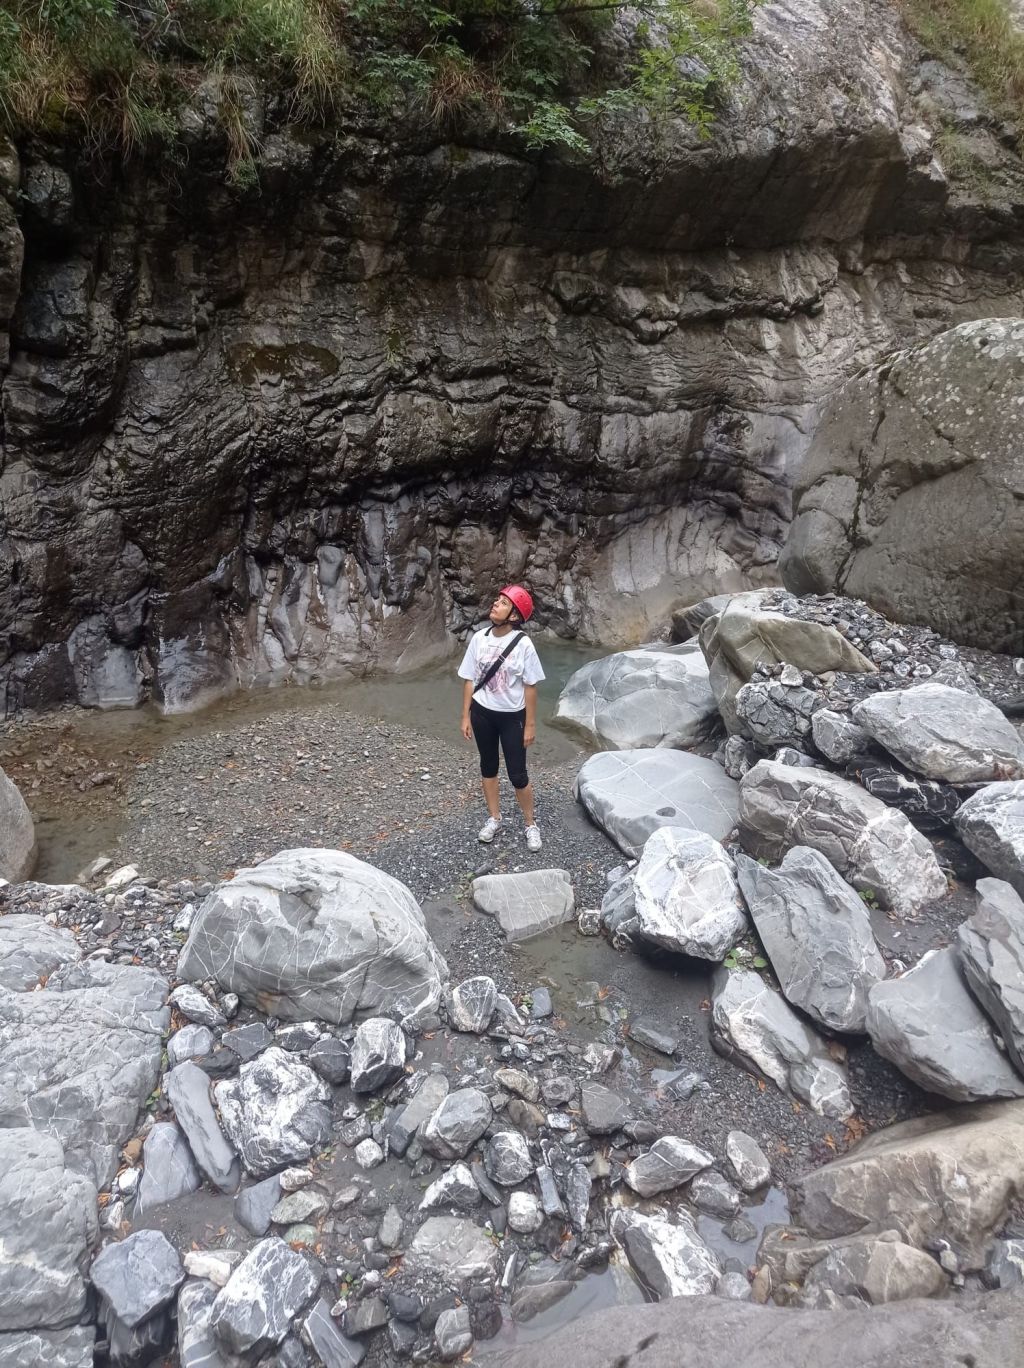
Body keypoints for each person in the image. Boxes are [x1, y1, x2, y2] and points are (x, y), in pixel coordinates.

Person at [458, 585, 545, 851]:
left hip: (512, 718)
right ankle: (495, 818)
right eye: (497, 600)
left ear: (515, 616)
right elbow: (470, 679)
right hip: (482, 713)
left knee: (518, 774)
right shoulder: (479, 638)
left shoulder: (524, 644)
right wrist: (465, 716)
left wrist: (530, 724)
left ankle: (530, 824)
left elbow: (530, 686)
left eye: (504, 603)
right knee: (488, 767)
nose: (495, 604)